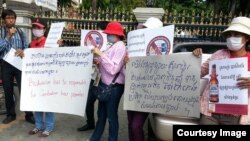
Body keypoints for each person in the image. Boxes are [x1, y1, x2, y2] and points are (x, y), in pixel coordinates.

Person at [193, 16, 250, 125]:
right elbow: (199, 72)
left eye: (237, 35)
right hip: (211, 112)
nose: (231, 38)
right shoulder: (218, 55)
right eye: (229, 35)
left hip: (235, 115)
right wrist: (194, 59)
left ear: (247, 38)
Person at [126, 17, 163, 141]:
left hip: (148, 94)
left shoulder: (163, 49)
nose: (146, 31)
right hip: (133, 91)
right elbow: (125, 73)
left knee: (136, 126)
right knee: (130, 124)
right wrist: (126, 64)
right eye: (145, 28)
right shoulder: (134, 46)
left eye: (149, 29)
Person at [89, 21, 126, 141]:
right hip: (106, 85)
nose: (107, 35)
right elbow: (108, 63)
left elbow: (113, 69)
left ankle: (112, 139)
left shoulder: (120, 46)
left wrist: (101, 55)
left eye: (109, 33)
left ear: (116, 34)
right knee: (101, 114)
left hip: (113, 87)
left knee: (111, 116)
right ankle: (95, 138)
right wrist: (99, 60)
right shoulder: (114, 45)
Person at [28, 19, 63, 137]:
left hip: (48, 78)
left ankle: (49, 126)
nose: (36, 30)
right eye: (35, 27)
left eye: (39, 28)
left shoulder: (51, 42)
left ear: (44, 29)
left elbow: (57, 56)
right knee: (37, 102)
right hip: (35, 77)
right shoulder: (31, 43)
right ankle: (38, 125)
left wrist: (59, 46)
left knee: (48, 103)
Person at [0, 9, 35, 124]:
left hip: (19, 63)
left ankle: (29, 114)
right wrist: (8, 37)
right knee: (8, 89)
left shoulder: (20, 31)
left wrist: (23, 51)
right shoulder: (1, 32)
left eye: (12, 18)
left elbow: (27, 46)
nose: (11, 20)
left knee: (24, 89)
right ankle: (11, 114)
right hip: (6, 65)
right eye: (8, 18)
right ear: (4, 20)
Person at [77, 21, 109, 132]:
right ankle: (90, 123)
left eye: (98, 29)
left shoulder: (109, 46)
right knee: (88, 101)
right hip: (94, 77)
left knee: (101, 105)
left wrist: (101, 57)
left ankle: (99, 127)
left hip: (104, 79)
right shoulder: (92, 44)